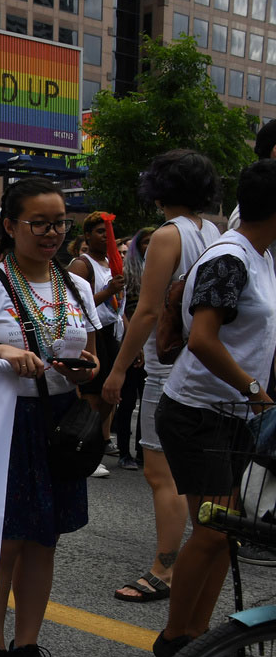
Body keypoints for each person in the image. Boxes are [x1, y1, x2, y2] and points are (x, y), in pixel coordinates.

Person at [0, 177, 101, 657]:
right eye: (39, 223)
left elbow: (91, 356)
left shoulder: (76, 286)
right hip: (3, 423)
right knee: (4, 540)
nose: (52, 233)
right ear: (11, 226)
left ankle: (27, 645)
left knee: (44, 538)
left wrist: (86, 370)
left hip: (60, 421)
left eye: (59, 223)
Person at [152, 158, 276, 657]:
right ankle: (175, 640)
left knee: (227, 534)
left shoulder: (262, 256)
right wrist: (256, 391)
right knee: (213, 530)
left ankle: (202, 638)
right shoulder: (230, 258)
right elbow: (202, 339)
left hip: (234, 413)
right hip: (198, 411)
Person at [101, 150, 221, 604]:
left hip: (169, 367)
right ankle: (199, 561)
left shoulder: (168, 236)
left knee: (161, 472)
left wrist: (118, 368)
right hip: (205, 364)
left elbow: (147, 310)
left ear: (158, 189)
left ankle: (164, 569)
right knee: (197, 476)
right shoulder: (212, 232)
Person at [67, 211, 128, 478]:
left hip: (111, 332)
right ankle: (83, 449)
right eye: (101, 232)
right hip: (92, 333)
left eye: (110, 232)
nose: (107, 237)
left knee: (109, 395)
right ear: (88, 235)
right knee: (92, 394)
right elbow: (76, 303)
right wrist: (109, 291)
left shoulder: (112, 263)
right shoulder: (82, 265)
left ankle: (94, 447)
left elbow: (120, 307)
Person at [113, 226, 156, 471]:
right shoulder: (127, 273)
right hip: (131, 341)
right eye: (146, 242)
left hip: (154, 343)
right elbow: (122, 311)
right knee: (128, 399)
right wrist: (134, 342)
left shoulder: (161, 269)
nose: (150, 246)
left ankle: (142, 451)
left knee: (148, 398)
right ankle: (124, 451)